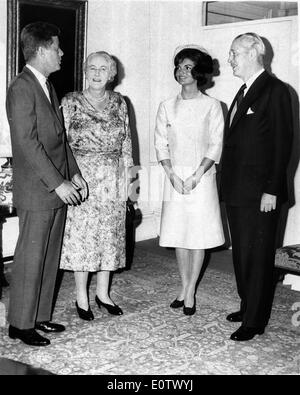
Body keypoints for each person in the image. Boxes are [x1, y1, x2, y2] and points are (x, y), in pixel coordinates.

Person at [6, 22, 87, 347]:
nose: (61, 53)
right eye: (57, 47)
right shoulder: (21, 88)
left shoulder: (47, 86)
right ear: (41, 51)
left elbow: (58, 138)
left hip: (54, 186)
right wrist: (58, 183)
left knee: (49, 254)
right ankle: (19, 324)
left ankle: (38, 316)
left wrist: (74, 172)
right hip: (39, 189)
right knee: (31, 255)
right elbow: (27, 143)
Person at [220, 33, 293, 341]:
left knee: (258, 256)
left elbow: (282, 144)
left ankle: (255, 321)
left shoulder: (275, 90)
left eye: (234, 53)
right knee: (242, 255)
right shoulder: (243, 91)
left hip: (261, 193)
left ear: (252, 54)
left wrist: (272, 190)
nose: (230, 59)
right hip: (237, 190)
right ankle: (248, 305)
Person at [60, 51, 133, 320]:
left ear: (112, 74)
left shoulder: (120, 102)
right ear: (85, 71)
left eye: (103, 69)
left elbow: (127, 145)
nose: (97, 73)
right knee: (83, 237)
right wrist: (68, 176)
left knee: (109, 237)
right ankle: (81, 295)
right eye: (92, 68)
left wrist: (129, 183)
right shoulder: (70, 101)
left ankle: (103, 294)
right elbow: (60, 144)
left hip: (112, 177)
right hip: (82, 176)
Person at [155, 45, 225, 316]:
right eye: (179, 67)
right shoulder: (166, 106)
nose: (182, 72)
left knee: (197, 236)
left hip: (202, 178)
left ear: (200, 72)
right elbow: (161, 144)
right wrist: (172, 175)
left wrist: (196, 176)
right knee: (179, 235)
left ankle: (191, 291)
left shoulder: (212, 106)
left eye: (188, 67)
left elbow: (215, 145)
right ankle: (183, 287)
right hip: (173, 177)